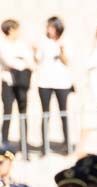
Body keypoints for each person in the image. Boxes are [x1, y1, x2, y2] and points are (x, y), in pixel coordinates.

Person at [34, 17, 72, 156]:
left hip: (62, 83)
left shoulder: (65, 41)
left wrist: (61, 50)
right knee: (45, 114)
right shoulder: (43, 41)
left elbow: (67, 61)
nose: (49, 29)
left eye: (51, 27)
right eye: (48, 26)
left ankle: (67, 145)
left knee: (63, 113)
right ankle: (44, 147)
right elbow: (37, 59)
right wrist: (35, 51)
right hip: (44, 82)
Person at [1, 20, 34, 151]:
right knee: (7, 111)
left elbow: (30, 60)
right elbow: (8, 60)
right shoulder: (2, 44)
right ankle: (4, 142)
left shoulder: (22, 44)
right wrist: (21, 61)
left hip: (22, 83)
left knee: (23, 112)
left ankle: (24, 143)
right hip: (8, 82)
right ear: (10, 30)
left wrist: (20, 61)